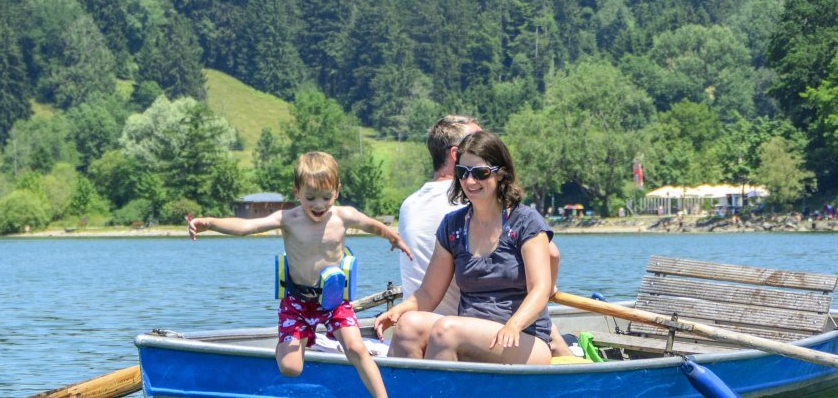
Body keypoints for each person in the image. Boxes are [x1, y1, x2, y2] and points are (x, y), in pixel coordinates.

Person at [188, 151, 410, 398]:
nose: (319, 205)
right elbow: (246, 227)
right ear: (296, 191)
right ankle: (288, 346)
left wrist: (393, 237)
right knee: (291, 368)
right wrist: (209, 222)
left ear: (337, 191)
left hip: (333, 302)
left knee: (356, 348)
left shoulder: (343, 216)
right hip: (297, 303)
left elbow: (372, 225)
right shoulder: (288, 218)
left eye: (327, 197)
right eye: (310, 197)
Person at [393, 116, 571, 358]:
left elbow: (540, 289)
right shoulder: (452, 226)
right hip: (469, 331)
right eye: (463, 172)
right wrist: (399, 311)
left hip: (523, 337)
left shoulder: (526, 222)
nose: (469, 181)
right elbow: (427, 295)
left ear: (500, 174)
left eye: (480, 173)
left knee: (446, 330)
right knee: (407, 326)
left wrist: (514, 325)